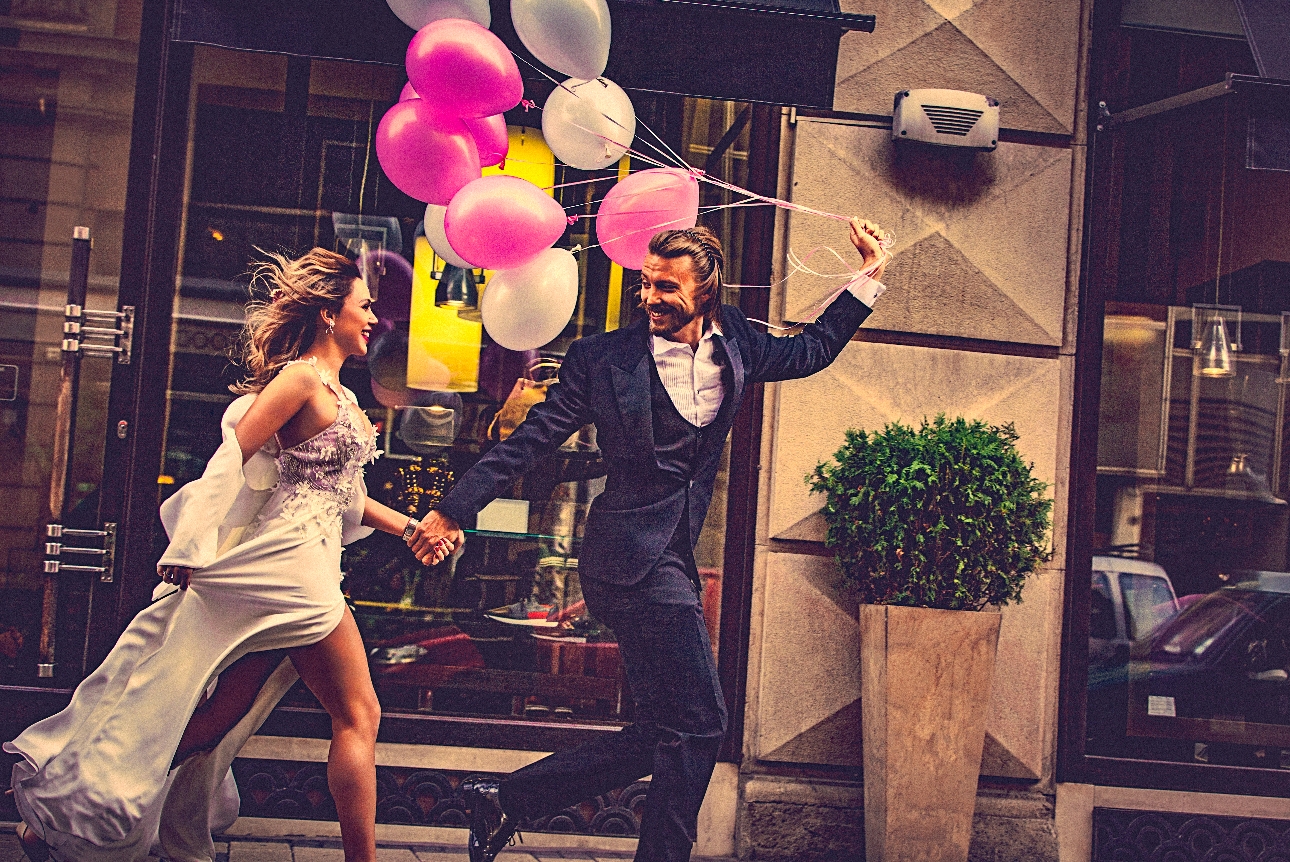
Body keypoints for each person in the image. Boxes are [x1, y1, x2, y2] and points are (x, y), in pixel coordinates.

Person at [408, 219, 890, 862]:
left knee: (665, 731)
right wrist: (453, 510)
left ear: (706, 289)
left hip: (674, 557)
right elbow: (532, 441)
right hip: (625, 558)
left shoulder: (738, 342)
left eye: (666, 286)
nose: (650, 297)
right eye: (645, 283)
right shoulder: (603, 360)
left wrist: (868, 277)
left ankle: (507, 799)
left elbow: (812, 352)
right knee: (702, 725)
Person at [5, 249, 430, 862]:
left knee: (220, 712)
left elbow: (348, 498)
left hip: (304, 563)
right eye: (363, 306)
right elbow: (233, 456)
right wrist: (191, 544)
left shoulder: (339, 392)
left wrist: (411, 527)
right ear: (326, 313)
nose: (373, 319)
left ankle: (78, 812)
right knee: (359, 714)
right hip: (291, 570)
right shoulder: (301, 380)